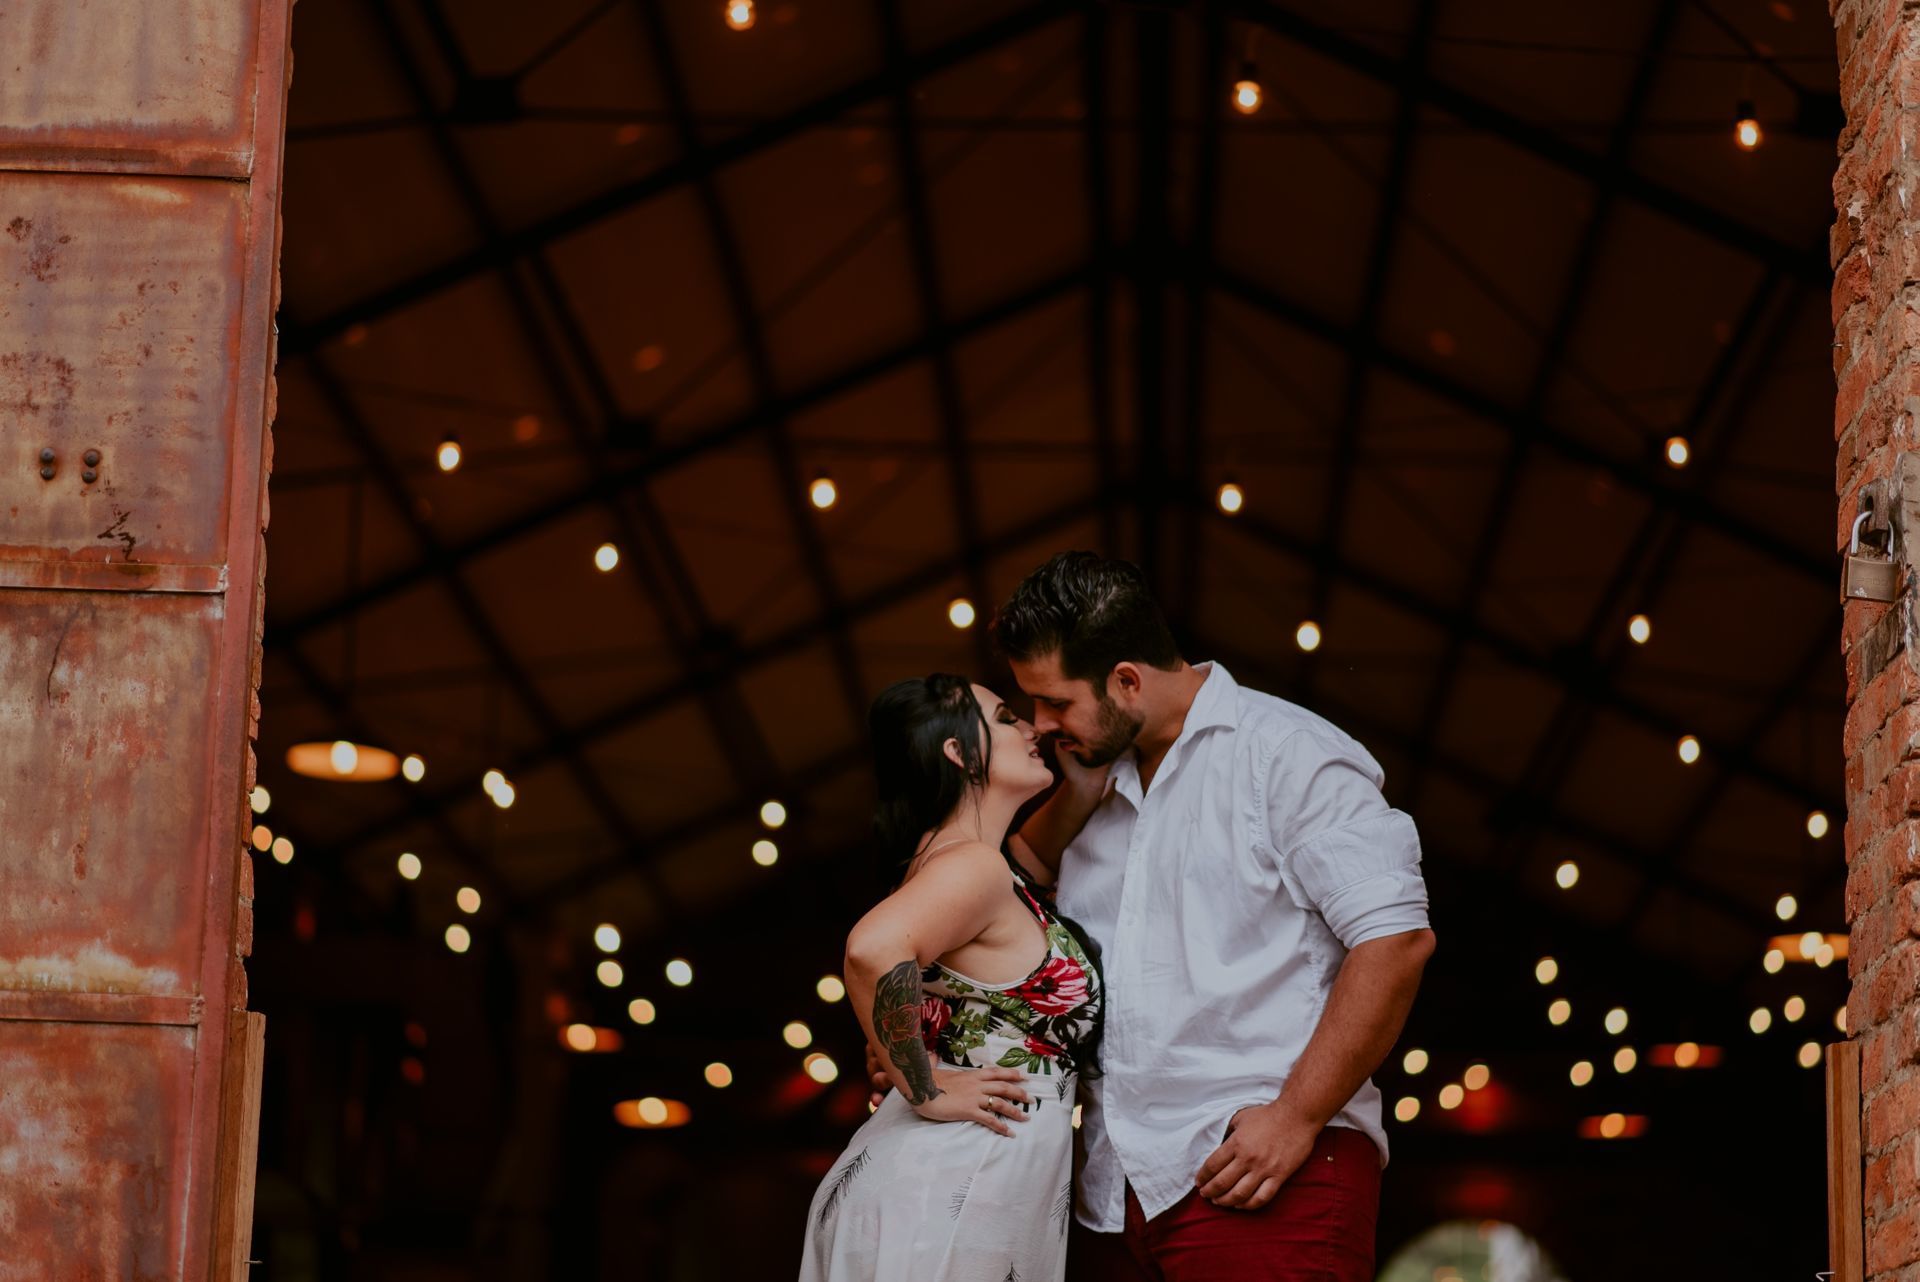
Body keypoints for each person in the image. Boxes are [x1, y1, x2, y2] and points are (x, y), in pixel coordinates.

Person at [995, 550, 1437, 1282]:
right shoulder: (1090, 788)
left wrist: (1295, 1116)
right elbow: (1001, 911)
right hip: (1115, 1193)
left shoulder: (1289, 755)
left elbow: (1395, 940)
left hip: (1269, 1173)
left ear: (1127, 681)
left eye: (1055, 702)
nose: (1039, 726)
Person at [800, 674, 1107, 1282]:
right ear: (959, 753)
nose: (1032, 727)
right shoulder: (973, 868)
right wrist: (928, 1088)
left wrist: (1084, 788)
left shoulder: (957, 862)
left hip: (946, 1185)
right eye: (1005, 718)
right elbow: (871, 948)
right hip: (952, 1188)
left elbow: (1028, 865)